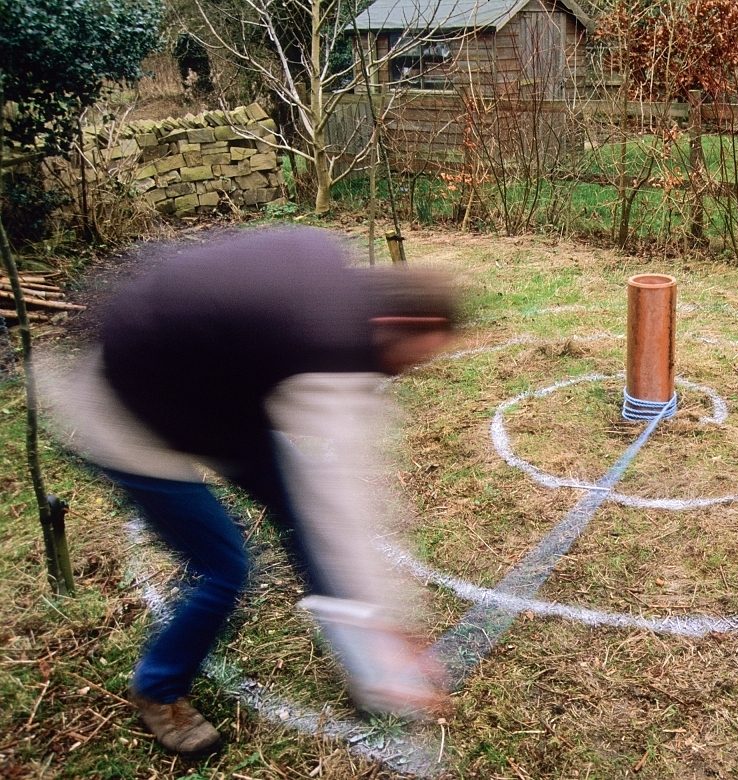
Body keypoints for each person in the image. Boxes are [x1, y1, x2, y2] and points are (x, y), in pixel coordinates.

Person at [44, 227, 460, 756]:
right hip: (122, 412)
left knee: (302, 516)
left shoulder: (324, 256)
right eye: (412, 361)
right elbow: (342, 509)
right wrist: (394, 624)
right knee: (225, 568)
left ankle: (370, 670)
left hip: (210, 395)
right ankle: (158, 688)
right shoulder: (326, 348)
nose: (404, 374)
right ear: (402, 324)